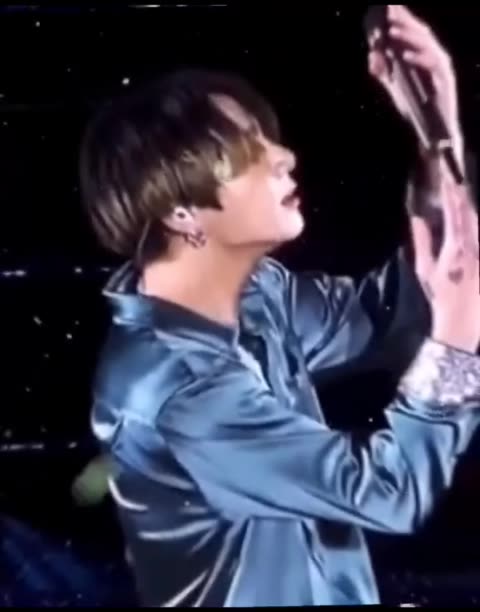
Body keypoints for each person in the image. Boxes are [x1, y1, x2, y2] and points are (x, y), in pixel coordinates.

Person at [80, 5, 480, 607]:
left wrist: (437, 131)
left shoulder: (256, 294)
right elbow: (386, 492)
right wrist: (454, 348)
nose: (285, 156)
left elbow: (398, 309)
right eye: (248, 151)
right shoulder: (178, 389)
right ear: (179, 210)